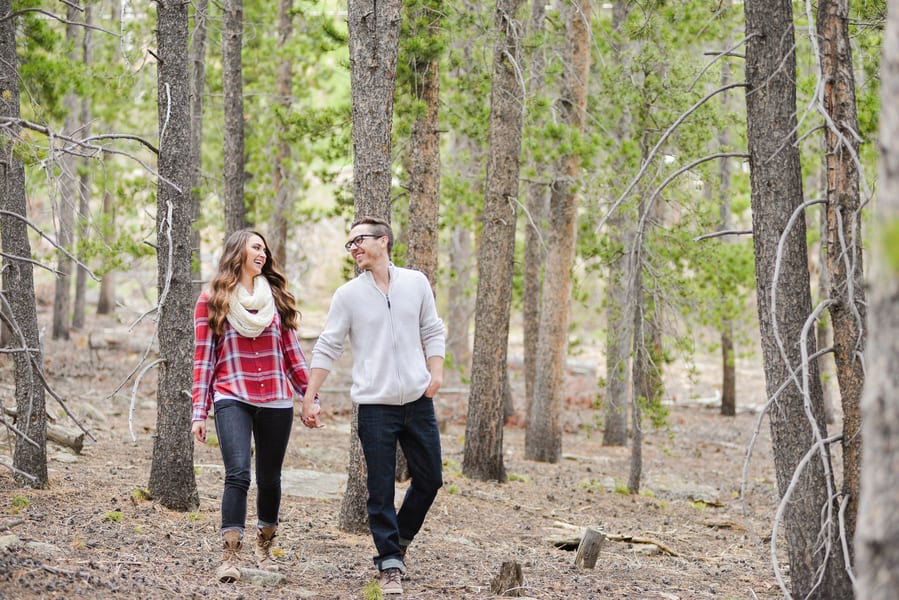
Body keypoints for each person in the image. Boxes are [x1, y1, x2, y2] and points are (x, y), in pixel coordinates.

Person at [300, 216, 445, 596]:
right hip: (375, 408)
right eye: (349, 244)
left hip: (418, 401)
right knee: (380, 489)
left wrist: (436, 372)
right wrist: (310, 395)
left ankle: (397, 543)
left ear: (383, 241)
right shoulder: (348, 294)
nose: (354, 249)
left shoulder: (416, 283)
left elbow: (432, 327)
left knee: (430, 479)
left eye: (359, 240)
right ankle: (390, 565)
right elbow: (328, 345)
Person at [190, 229, 314, 583]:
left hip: (276, 398)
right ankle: (230, 554)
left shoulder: (275, 297)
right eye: (255, 247)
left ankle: (265, 546)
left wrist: (310, 398)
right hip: (232, 395)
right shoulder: (211, 299)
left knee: (270, 478)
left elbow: (293, 356)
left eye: (264, 249)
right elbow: (203, 360)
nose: (262, 253)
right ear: (237, 251)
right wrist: (199, 412)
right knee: (238, 474)